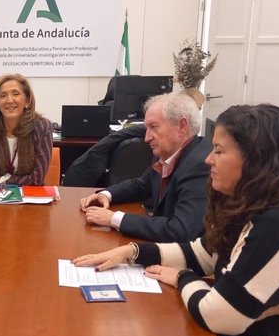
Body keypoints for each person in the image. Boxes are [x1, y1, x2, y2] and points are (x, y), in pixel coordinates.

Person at [73, 104, 279, 336]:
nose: (209, 159)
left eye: (218, 151)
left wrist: (181, 277)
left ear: (255, 160)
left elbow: (218, 316)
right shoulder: (251, 205)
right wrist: (132, 252)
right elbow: (202, 253)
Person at [79, 92, 210, 241]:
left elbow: (180, 230)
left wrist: (114, 218)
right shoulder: (170, 154)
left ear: (182, 126)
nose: (147, 138)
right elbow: (142, 185)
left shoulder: (200, 165)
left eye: (154, 127)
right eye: (146, 128)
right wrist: (106, 194)